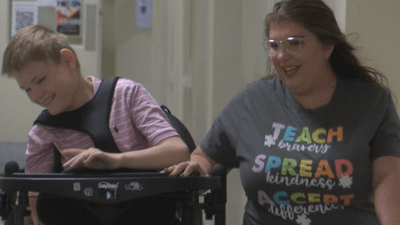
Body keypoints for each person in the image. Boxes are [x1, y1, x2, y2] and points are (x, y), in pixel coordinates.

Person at [164, 0, 400, 224]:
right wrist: (199, 168)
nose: (281, 56)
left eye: (294, 43)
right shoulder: (252, 101)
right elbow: (205, 157)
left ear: (327, 46)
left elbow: (386, 179)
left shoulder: (370, 102)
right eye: (274, 46)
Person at [2, 25, 190, 225]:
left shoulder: (126, 95)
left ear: (67, 60)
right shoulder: (42, 132)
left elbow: (177, 152)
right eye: (28, 89)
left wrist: (117, 160)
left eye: (40, 80)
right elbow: (37, 207)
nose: (36, 95)